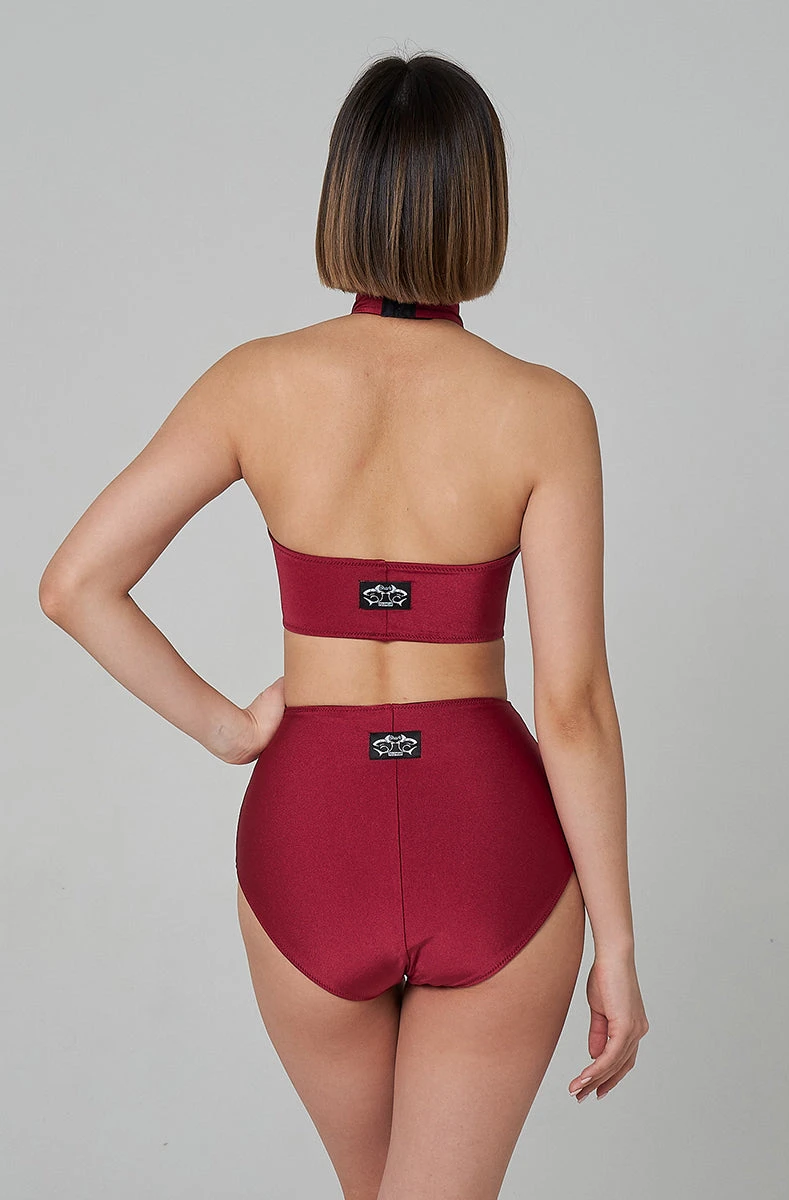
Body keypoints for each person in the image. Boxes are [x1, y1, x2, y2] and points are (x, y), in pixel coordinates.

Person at [39, 49, 649, 1200]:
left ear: (345, 195)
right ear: (481, 205)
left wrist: (227, 729)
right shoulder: (543, 411)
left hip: (307, 840)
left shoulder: (253, 382)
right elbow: (570, 706)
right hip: (489, 844)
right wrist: (614, 945)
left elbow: (75, 584)